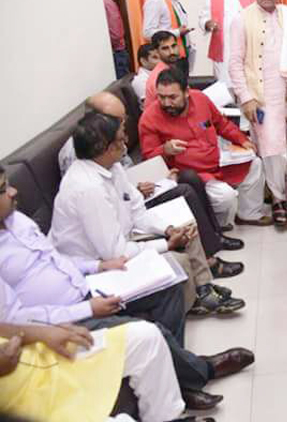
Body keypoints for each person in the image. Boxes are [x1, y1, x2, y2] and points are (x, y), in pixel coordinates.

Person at [0, 164, 255, 411]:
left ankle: (177, 372)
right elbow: (14, 320)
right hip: (64, 318)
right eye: (3, 189)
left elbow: (58, 259)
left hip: (90, 286)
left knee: (169, 285)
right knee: (150, 332)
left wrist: (98, 266)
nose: (13, 192)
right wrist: (87, 309)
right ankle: (200, 371)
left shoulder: (17, 220)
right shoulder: (85, 187)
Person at [51, 111, 246, 316]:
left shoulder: (112, 167)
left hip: (122, 239)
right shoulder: (88, 188)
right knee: (176, 260)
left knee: (184, 224)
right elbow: (115, 254)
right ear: (106, 148)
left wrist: (168, 230)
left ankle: (204, 289)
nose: (126, 142)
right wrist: (166, 244)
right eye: (121, 139)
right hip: (98, 265)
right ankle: (192, 301)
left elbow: (137, 210)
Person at [58, 92, 246, 259]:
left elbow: (133, 204)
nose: (124, 133)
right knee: (185, 191)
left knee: (189, 178)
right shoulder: (86, 177)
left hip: (134, 201)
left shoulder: (111, 163)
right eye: (118, 122)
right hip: (104, 250)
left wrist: (168, 229)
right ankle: (209, 259)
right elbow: (113, 249)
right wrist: (166, 243)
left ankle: (213, 240)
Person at [0, 286, 190, 422]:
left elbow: (8, 319)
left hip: (39, 354)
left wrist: (41, 332)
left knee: (145, 337)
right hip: (20, 399)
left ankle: (167, 418)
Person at [140, 67, 272, 229]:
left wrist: (242, 140)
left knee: (255, 163)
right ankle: (210, 224)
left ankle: (248, 214)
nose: (167, 103)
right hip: (193, 177)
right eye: (161, 97)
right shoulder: (150, 117)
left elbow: (221, 124)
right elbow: (148, 159)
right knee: (225, 197)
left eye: (172, 97)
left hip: (219, 163)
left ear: (186, 92)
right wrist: (165, 150)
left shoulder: (200, 99)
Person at [229, 0, 287, 227]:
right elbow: (234, 63)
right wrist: (246, 98)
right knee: (272, 147)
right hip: (260, 96)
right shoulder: (241, 19)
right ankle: (279, 199)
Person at [198, 0, 255, 89]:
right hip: (224, 51)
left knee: (247, 87)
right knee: (225, 89)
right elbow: (203, 18)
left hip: (247, 50)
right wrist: (207, 23)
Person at [143, 0, 195, 76]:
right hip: (169, 58)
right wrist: (177, 32)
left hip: (181, 55)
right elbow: (147, 33)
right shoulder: (155, 1)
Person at [144, 30, 181, 106]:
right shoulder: (158, 78)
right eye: (165, 48)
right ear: (156, 52)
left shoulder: (172, 68)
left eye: (174, 46)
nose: (172, 52)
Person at [103, 0, 129, 79]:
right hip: (115, 52)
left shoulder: (105, 2)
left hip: (116, 52)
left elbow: (116, 34)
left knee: (120, 84)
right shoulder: (105, 1)